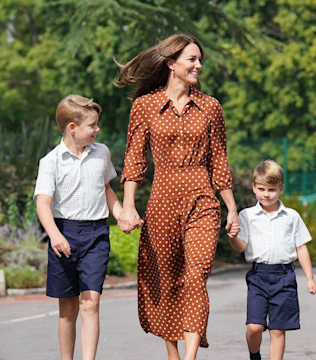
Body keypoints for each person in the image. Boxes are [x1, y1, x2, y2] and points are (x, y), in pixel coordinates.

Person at [114, 33, 239, 360]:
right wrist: (128, 206)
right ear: (171, 63)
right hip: (162, 202)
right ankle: (173, 353)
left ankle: (190, 357)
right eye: (192, 60)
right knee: (166, 280)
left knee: (196, 277)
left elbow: (220, 161)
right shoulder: (145, 106)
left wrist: (232, 209)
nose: (198, 65)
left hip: (203, 201)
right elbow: (134, 159)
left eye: (200, 60)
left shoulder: (211, 107)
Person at [34, 94, 122, 360]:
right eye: (92, 125)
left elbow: (107, 189)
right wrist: (55, 235)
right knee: (68, 310)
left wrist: (120, 214)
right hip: (64, 234)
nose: (97, 129)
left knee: (91, 302)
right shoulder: (51, 162)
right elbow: (42, 204)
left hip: (96, 235)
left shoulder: (102, 152)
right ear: (72, 128)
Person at [228, 160, 316, 360]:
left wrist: (310, 278)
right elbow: (241, 247)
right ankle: (254, 355)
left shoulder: (291, 217)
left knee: (278, 330)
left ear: (281, 189)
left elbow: (301, 247)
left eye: (271, 189)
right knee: (254, 326)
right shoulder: (247, 216)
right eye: (261, 189)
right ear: (253, 188)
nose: (266, 194)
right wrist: (233, 236)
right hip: (258, 277)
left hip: (284, 277)